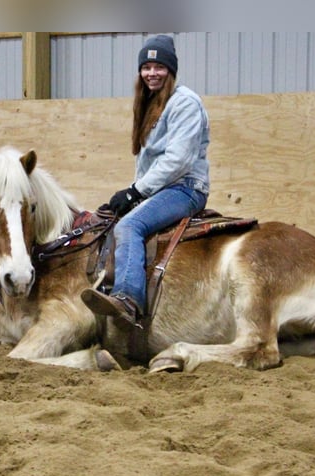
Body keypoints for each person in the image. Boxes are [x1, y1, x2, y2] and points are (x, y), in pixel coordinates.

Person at [81, 34, 210, 327]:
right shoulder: (151, 105)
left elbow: (178, 160)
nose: (152, 73)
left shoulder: (185, 103)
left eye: (159, 67)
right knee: (109, 222)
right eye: (146, 67)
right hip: (162, 189)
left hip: (185, 187)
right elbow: (149, 164)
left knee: (130, 225)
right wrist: (134, 195)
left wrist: (136, 192)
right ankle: (108, 286)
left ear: (171, 70)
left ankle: (128, 300)